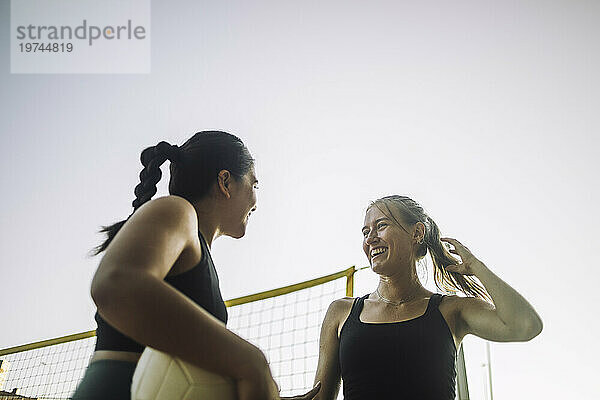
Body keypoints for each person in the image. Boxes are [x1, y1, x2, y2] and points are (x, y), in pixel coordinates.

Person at [72, 131, 320, 400]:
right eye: (254, 184)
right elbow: (116, 285)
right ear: (225, 182)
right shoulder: (177, 210)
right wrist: (252, 363)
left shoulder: (196, 247)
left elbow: (191, 374)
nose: (256, 200)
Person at [312, 195, 543, 400]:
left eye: (381, 226)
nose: (370, 238)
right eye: (365, 232)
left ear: (417, 233)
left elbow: (526, 325)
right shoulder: (341, 312)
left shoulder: (451, 310)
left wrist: (477, 267)